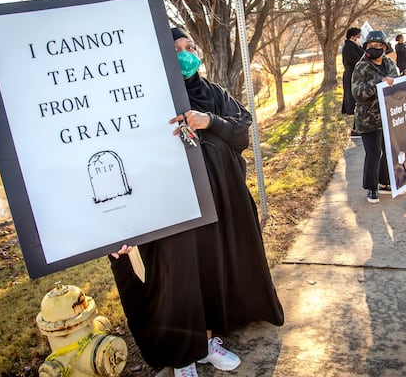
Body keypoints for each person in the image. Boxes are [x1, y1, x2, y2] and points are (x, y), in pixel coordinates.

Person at [110, 27, 284, 377]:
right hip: (170, 208)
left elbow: (241, 133)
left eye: (190, 47)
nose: (186, 54)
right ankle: (182, 356)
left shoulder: (213, 93)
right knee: (178, 277)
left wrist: (209, 121)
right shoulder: (142, 100)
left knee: (211, 270)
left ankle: (206, 343)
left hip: (221, 201)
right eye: (176, 49)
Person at [352, 30, 406, 203]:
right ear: (366, 47)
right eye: (371, 46)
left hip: (388, 116)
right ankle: (371, 188)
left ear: (384, 47)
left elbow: (394, 81)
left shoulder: (388, 62)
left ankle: (384, 181)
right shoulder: (361, 66)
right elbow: (357, 93)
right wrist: (377, 84)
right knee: (373, 152)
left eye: (379, 46)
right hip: (368, 118)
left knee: (388, 150)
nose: (375, 49)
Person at [341, 27, 364, 136]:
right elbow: (357, 61)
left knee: (358, 101)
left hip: (356, 76)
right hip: (351, 76)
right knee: (356, 101)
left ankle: (357, 127)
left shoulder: (355, 46)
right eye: (358, 36)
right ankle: (356, 129)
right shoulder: (348, 48)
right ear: (353, 37)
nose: (360, 38)